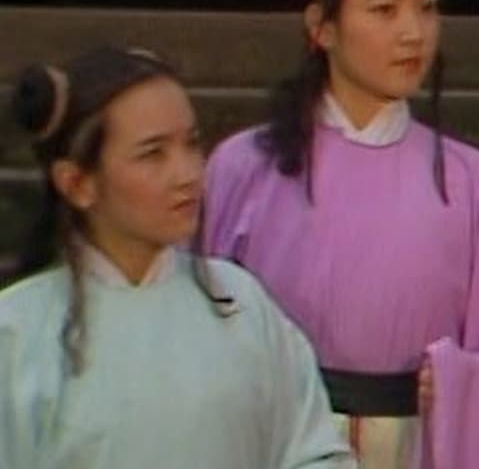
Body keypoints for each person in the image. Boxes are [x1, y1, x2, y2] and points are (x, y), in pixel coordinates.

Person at [202, 0, 479, 469]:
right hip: (277, 447)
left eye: (427, 7)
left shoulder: (471, 181)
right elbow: (195, 335)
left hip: (418, 449)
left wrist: (464, 383)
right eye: (384, 9)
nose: (413, 32)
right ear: (322, 28)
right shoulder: (243, 167)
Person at [0, 47, 353, 469]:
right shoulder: (18, 333)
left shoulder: (240, 304)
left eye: (192, 144)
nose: (188, 174)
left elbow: (313, 452)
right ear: (77, 183)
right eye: (153, 154)